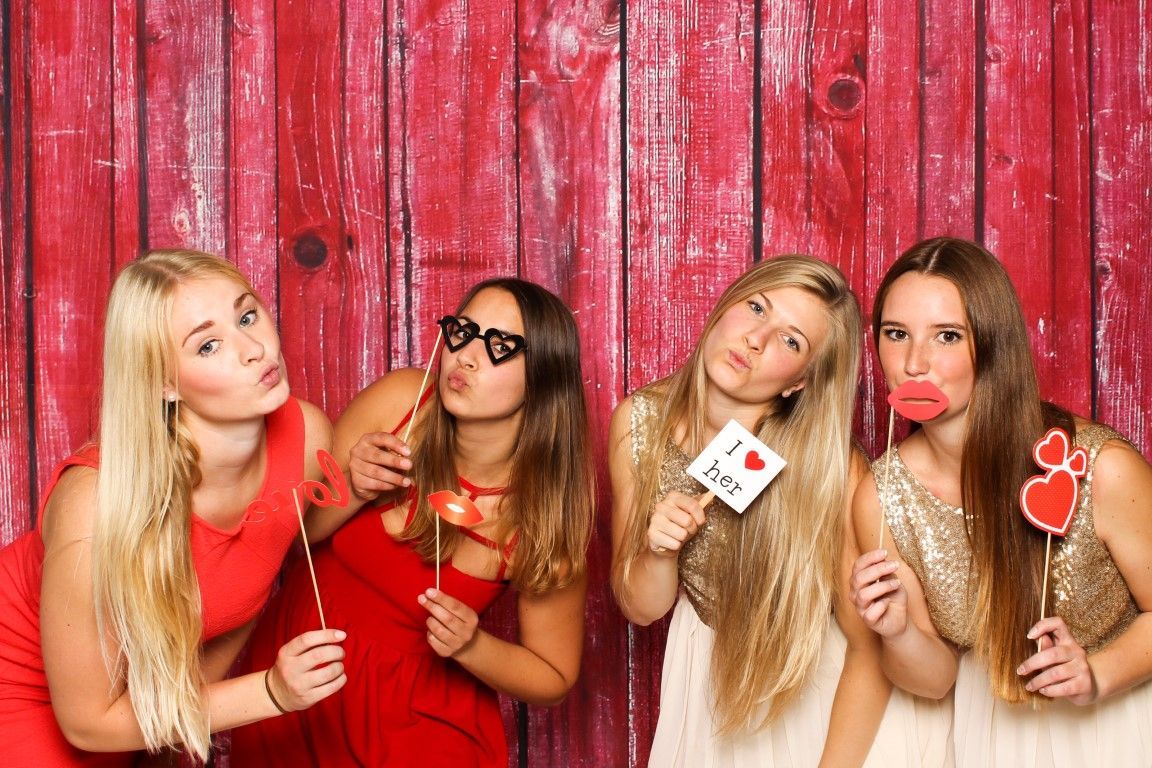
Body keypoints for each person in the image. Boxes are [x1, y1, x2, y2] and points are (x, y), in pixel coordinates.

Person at [0, 250, 347, 766]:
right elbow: (88, 723)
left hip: (140, 708)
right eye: (208, 345)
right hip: (29, 694)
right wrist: (271, 693)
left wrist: (172, 740)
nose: (254, 349)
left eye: (247, 315)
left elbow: (237, 600)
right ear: (163, 383)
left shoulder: (305, 439)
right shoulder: (95, 501)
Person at [230, 277, 594, 766]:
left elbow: (553, 677)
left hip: (415, 720)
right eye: (462, 332)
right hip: (306, 672)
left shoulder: (542, 517)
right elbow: (296, 536)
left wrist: (473, 646)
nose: (465, 355)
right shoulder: (402, 404)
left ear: (545, 378)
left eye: (500, 346)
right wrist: (353, 487)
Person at [610, 255, 951, 767]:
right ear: (726, 304)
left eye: (791, 341)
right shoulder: (640, 422)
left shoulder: (831, 469)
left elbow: (868, 651)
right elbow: (641, 608)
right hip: (710, 687)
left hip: (823, 702)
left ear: (800, 383)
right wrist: (659, 552)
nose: (755, 339)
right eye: (756, 308)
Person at [850, 236, 1152, 767]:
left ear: (992, 343)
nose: (914, 362)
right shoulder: (881, 495)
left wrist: (1097, 673)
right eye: (896, 334)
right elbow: (934, 679)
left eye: (947, 336)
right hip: (988, 735)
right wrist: (897, 632)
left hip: (1115, 729)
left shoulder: (1098, 468)